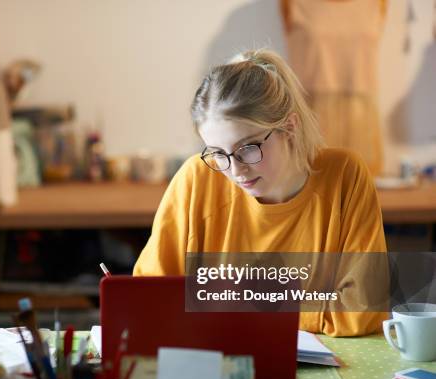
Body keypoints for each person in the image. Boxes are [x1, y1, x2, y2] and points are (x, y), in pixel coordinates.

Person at [133, 49, 388, 337]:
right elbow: (148, 296)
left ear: (288, 127)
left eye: (248, 148)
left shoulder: (345, 175)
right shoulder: (196, 178)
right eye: (218, 153)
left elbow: (363, 309)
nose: (236, 171)